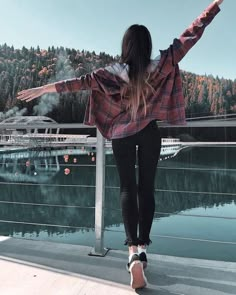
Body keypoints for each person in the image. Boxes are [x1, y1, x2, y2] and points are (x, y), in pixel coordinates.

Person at [17, 0, 223, 289]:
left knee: (127, 188)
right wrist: (214, 5)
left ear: (126, 46)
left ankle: (131, 254)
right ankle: (142, 251)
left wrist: (43, 88)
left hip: (123, 135)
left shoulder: (110, 73)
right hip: (150, 132)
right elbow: (192, 34)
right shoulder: (161, 64)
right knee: (146, 188)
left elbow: (78, 82)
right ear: (148, 45)